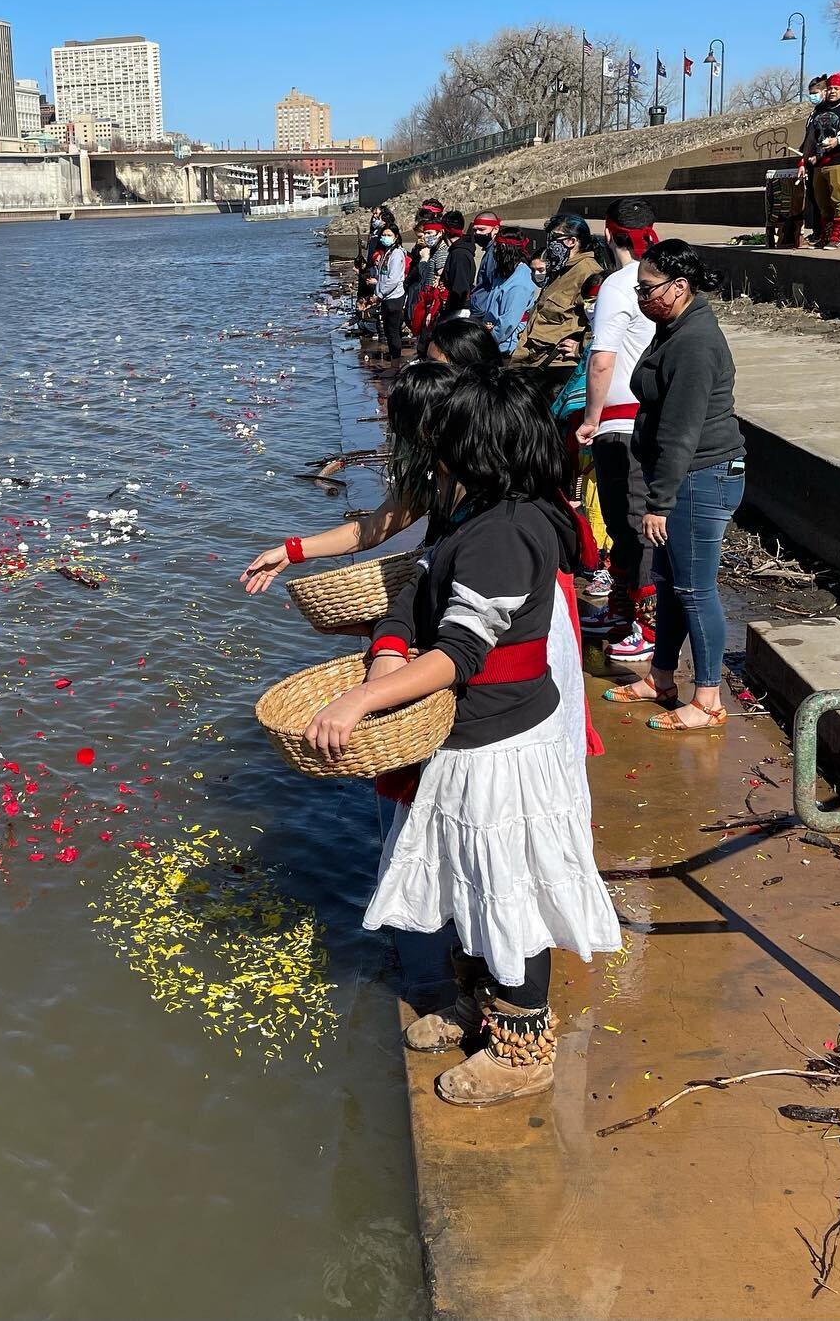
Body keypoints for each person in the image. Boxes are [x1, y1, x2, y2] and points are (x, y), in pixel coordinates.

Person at [302, 367, 621, 1106]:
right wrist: (388, 645)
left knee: (511, 882)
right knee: (475, 873)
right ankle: (485, 1005)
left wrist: (360, 698)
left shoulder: (509, 531)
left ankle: (521, 1046)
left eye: (445, 441)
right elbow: (416, 589)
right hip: (477, 731)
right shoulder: (482, 512)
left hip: (502, 738)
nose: (433, 454)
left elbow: (457, 653)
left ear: (481, 448)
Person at [238, 325, 501, 596]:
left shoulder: (499, 471)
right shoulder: (433, 466)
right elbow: (372, 529)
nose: (422, 371)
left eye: (434, 365)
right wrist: (291, 551)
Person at [602, 240, 745, 731]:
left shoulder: (695, 343)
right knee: (667, 583)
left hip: (701, 477)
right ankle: (662, 676)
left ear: (679, 287)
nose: (641, 297)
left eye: (648, 289)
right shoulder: (673, 327)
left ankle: (708, 698)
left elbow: (681, 431)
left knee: (694, 588)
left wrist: (658, 501)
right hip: (685, 475)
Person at [576, 198, 660, 661]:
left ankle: (646, 627)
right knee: (628, 521)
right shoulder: (665, 276)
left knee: (631, 521)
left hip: (621, 422)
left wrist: (590, 417)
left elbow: (602, 357)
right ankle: (624, 611)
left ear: (609, 235)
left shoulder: (618, 283)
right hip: (649, 415)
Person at [512, 214, 600, 371]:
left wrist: (581, 348)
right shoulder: (560, 269)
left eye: (555, 238)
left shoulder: (589, 272)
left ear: (572, 241)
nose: (550, 244)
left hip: (556, 364)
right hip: (531, 358)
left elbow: (600, 319)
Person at [798, 71, 840, 247]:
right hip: (820, 162)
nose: (832, 91)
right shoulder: (819, 110)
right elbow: (810, 139)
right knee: (822, 201)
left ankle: (839, 236)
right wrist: (802, 162)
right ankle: (826, 234)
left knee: (839, 198)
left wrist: (839, 140)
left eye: (836, 88)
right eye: (829, 88)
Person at [479, 234, 537, 358]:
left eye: (497, 249)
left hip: (506, 347)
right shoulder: (504, 272)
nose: (494, 253)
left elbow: (509, 322)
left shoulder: (519, 283)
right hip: (493, 338)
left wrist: (489, 339)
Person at [369, 219, 409, 364]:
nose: (385, 237)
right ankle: (394, 359)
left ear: (396, 236)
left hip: (394, 297)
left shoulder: (397, 253)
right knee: (388, 330)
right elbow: (382, 276)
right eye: (383, 234)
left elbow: (392, 280)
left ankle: (396, 362)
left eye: (388, 234)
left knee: (393, 331)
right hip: (385, 297)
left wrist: (379, 295)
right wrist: (377, 292)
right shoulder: (387, 252)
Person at [464, 211, 504, 320]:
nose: (477, 233)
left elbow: (492, 283)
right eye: (475, 230)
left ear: (495, 229)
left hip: (483, 310)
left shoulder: (494, 252)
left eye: (482, 230)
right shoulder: (489, 249)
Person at [438, 212, 478, 317]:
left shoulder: (459, 255)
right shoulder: (458, 251)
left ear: (444, 231)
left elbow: (460, 288)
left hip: (458, 312)